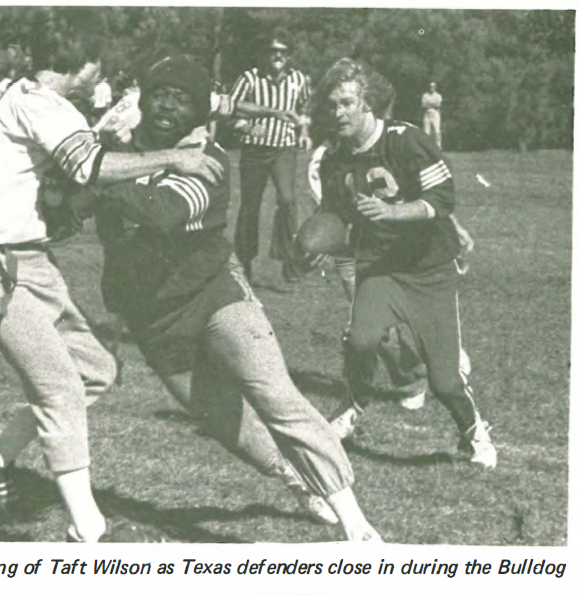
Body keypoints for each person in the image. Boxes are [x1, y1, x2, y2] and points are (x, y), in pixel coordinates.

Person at [59, 56, 380, 540]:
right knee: (227, 424)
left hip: (213, 293)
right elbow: (68, 208)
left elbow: (163, 212)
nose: (168, 104)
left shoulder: (205, 156)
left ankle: (358, 527)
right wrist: (83, 173)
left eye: (181, 97)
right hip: (150, 314)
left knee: (275, 394)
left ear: (197, 110)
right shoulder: (119, 151)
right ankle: (297, 479)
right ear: (143, 99)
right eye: (160, 93)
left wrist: (99, 174)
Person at [0, 8, 227, 543]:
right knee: (59, 387)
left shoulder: (33, 99)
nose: (102, 72)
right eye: (98, 60)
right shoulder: (42, 104)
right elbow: (92, 169)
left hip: (27, 261)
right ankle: (90, 531)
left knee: (94, 371)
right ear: (80, 60)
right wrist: (173, 158)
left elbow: (69, 189)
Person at [312, 58, 496, 469]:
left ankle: (474, 432)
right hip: (380, 266)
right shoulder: (333, 158)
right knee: (360, 339)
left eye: (346, 103)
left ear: (366, 105)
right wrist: (310, 245)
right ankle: (354, 404)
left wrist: (396, 213)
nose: (337, 112)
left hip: (428, 269)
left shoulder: (406, 139)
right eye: (332, 105)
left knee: (445, 380)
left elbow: (444, 198)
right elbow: (335, 213)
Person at [228, 29, 313, 289]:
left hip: (283, 149)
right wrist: (247, 128)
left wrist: (304, 132)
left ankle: (289, 259)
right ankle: (244, 263)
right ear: (264, 53)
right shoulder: (249, 79)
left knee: (288, 201)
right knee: (250, 207)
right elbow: (231, 111)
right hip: (254, 150)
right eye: (272, 51)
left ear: (289, 55)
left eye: (282, 51)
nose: (277, 56)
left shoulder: (298, 79)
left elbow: (304, 108)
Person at [421, 81, 443, 149]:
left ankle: (438, 146)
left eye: (433, 86)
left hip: (435, 114)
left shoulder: (438, 95)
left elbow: (438, 105)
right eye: (430, 86)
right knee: (426, 131)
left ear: (435, 87)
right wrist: (433, 104)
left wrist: (429, 104)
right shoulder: (425, 95)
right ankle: (427, 146)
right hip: (427, 114)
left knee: (437, 130)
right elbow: (423, 105)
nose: (431, 88)